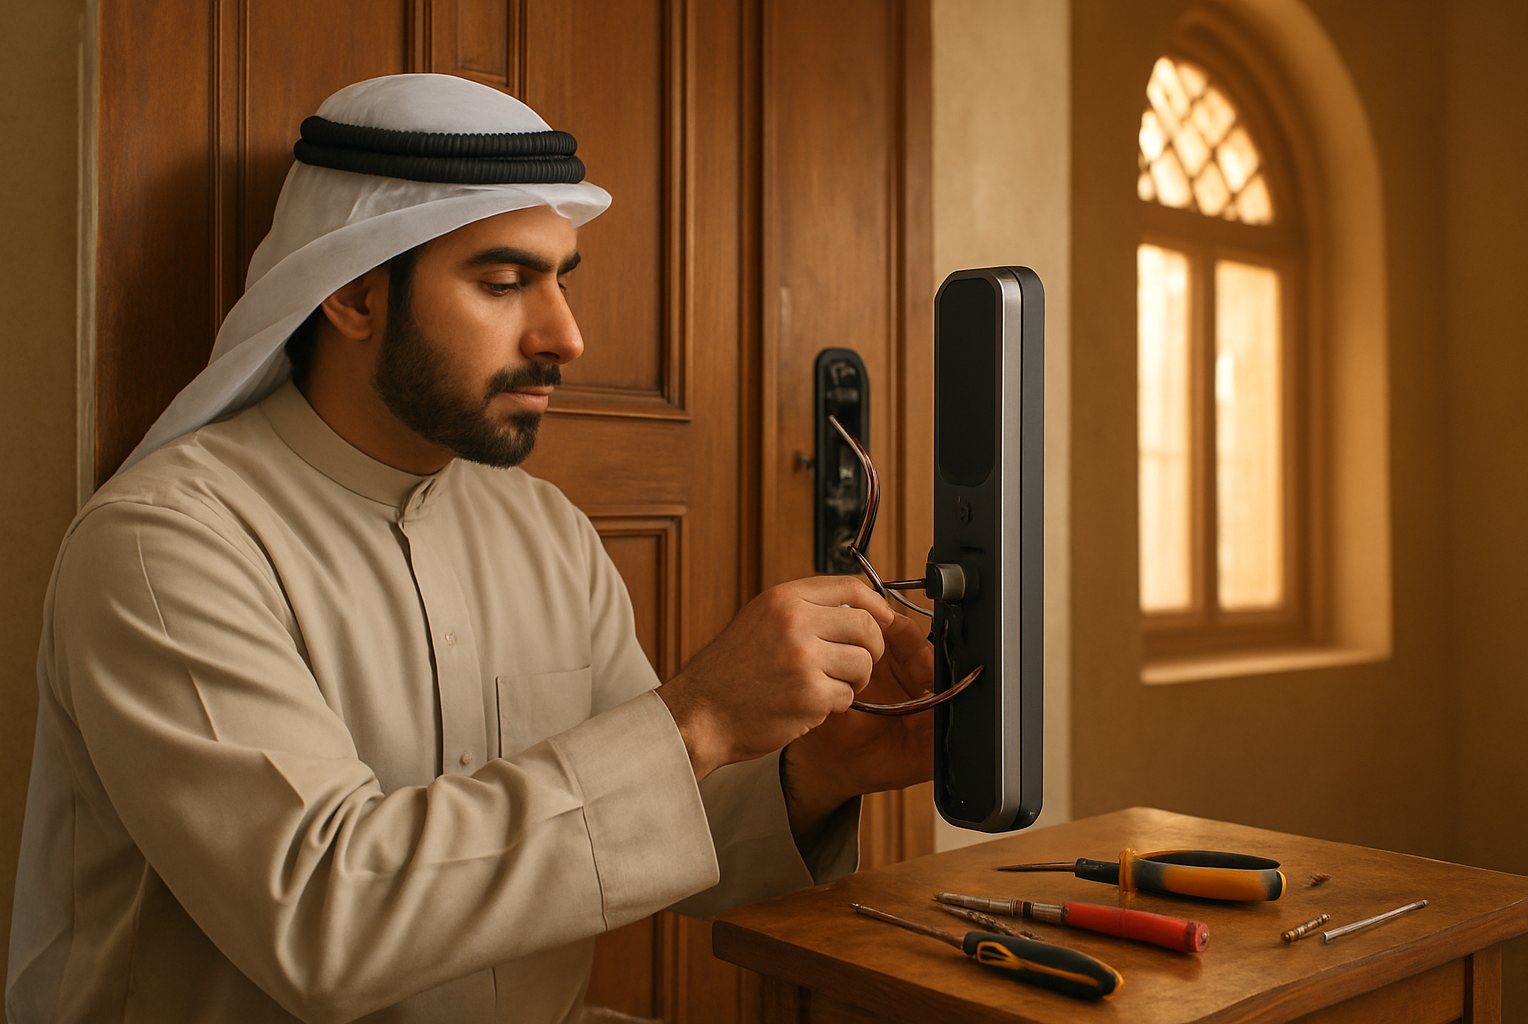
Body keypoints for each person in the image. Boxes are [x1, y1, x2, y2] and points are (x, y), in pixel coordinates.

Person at [6, 75, 934, 1024]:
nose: (566, 336)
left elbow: (639, 815)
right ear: (356, 296)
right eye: (503, 284)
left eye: (560, 279)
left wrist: (822, 769)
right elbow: (328, 917)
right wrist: (693, 718)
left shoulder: (544, 532)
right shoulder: (167, 548)